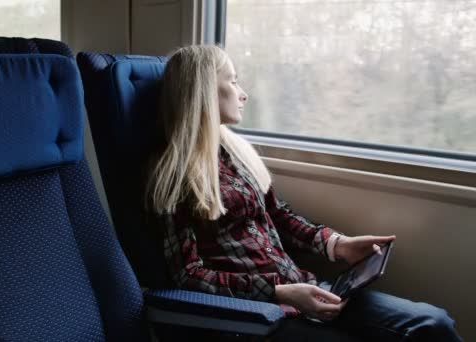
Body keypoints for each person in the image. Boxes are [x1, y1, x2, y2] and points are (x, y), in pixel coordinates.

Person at [144, 45, 461, 341]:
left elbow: (278, 215)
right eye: (234, 81)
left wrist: (338, 246)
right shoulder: (174, 176)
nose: (244, 94)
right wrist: (278, 292)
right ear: (206, 93)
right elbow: (189, 276)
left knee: (433, 322)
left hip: (306, 288)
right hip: (262, 315)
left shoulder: (235, 153)